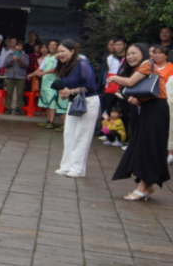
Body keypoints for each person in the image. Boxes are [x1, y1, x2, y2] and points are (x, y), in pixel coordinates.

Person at [108, 43, 170, 199]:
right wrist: (140, 101)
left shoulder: (147, 64)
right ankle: (147, 186)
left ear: (143, 53)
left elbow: (129, 83)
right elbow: (150, 92)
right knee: (143, 145)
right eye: (128, 54)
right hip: (151, 109)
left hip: (156, 111)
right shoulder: (143, 68)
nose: (130, 56)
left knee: (147, 146)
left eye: (133, 53)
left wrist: (114, 78)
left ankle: (142, 187)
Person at [53, 40, 99, 178]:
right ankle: (66, 165)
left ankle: (78, 169)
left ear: (72, 51)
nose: (60, 54)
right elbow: (65, 87)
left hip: (88, 102)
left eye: (63, 51)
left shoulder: (82, 64)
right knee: (69, 134)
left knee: (81, 135)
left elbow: (90, 86)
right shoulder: (63, 66)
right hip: (74, 102)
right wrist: (64, 93)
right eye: (59, 51)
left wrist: (70, 91)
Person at [30, 42, 67, 130]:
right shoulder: (47, 57)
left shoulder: (58, 57)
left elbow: (56, 68)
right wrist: (31, 75)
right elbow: (40, 68)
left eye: (54, 45)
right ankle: (48, 120)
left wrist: (44, 73)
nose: (52, 47)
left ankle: (51, 121)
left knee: (52, 102)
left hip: (53, 83)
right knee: (46, 103)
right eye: (50, 45)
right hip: (44, 83)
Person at [3, 41, 29, 114]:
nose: (18, 47)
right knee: (9, 93)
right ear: (15, 47)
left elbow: (26, 65)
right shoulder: (9, 55)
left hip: (20, 77)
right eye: (17, 46)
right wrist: (12, 60)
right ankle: (8, 108)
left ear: (22, 48)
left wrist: (19, 60)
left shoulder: (25, 56)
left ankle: (18, 108)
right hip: (10, 76)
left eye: (20, 46)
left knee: (20, 93)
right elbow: (5, 64)